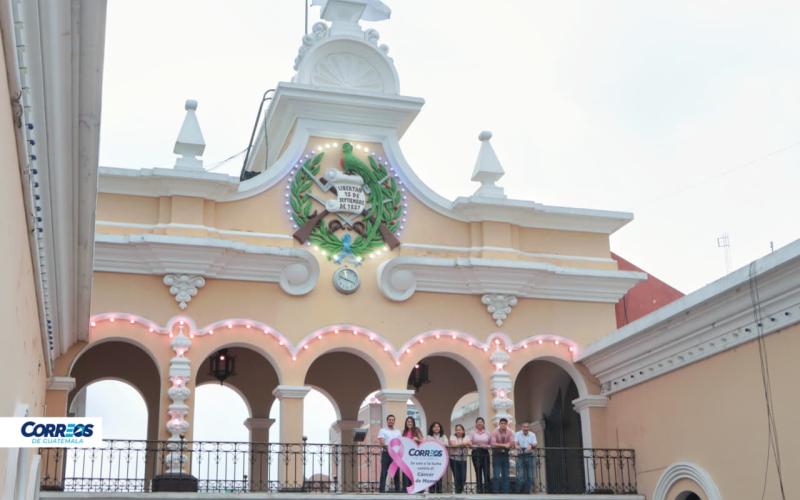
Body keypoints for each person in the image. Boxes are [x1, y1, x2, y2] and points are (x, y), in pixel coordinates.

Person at [378, 414, 402, 493]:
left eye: (392, 420)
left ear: (394, 421)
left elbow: (400, 443)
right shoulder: (383, 430)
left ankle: (398, 490)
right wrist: (389, 450)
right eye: (389, 420)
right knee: (384, 472)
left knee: (396, 473)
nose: (391, 421)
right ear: (387, 421)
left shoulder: (398, 432)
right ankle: (382, 490)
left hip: (395, 455)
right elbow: (382, 442)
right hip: (386, 454)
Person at [468, 417, 491, 493]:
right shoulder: (472, 432)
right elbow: (469, 443)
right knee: (478, 471)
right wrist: (477, 445)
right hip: (476, 452)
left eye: (481, 422)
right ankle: (479, 490)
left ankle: (487, 490)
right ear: (476, 424)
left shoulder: (487, 432)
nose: (480, 423)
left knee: (486, 472)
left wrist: (486, 446)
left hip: (485, 452)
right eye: (478, 422)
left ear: (483, 424)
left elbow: (491, 444)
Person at [490, 417, 514, 494]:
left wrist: (505, 445)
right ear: (499, 424)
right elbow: (493, 444)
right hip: (496, 455)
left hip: (505, 455)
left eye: (504, 423)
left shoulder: (510, 432)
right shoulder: (494, 432)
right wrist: (504, 445)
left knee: (506, 475)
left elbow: (511, 443)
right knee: (496, 475)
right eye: (501, 423)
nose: (503, 425)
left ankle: (505, 493)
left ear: (507, 424)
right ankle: (496, 492)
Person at [514, 422, 538, 494]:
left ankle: (528, 492)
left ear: (529, 428)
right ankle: (519, 492)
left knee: (530, 476)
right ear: (522, 428)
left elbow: (535, 443)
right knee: (520, 475)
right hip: (520, 456)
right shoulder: (517, 434)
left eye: (527, 427)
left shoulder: (532, 434)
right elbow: (515, 443)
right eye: (524, 427)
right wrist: (518, 447)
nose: (525, 428)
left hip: (530, 456)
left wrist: (531, 445)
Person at [401, 416, 423, 489]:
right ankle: (406, 489)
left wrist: (417, 439)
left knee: (414, 472)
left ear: (413, 423)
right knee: (406, 472)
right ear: (406, 423)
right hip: (406, 456)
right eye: (408, 422)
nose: (409, 423)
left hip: (415, 456)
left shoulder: (417, 430)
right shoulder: (404, 432)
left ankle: (415, 488)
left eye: (411, 422)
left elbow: (423, 441)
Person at [426, 421, 448, 493]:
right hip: (431, 460)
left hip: (440, 459)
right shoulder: (429, 436)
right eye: (434, 426)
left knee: (439, 475)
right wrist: (440, 443)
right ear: (432, 428)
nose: (436, 428)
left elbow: (446, 444)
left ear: (440, 428)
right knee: (431, 475)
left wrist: (435, 443)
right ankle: (431, 491)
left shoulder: (443, 436)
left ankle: (439, 491)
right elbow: (428, 445)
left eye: (438, 426)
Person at [449, 424, 469, 494]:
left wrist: (459, 444)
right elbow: (453, 445)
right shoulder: (452, 437)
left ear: (463, 431)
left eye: (460, 429)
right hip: (454, 459)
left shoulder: (466, 436)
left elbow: (470, 443)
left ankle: (461, 490)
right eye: (457, 430)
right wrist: (463, 444)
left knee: (463, 477)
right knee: (457, 477)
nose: (458, 431)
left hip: (463, 459)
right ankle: (458, 492)